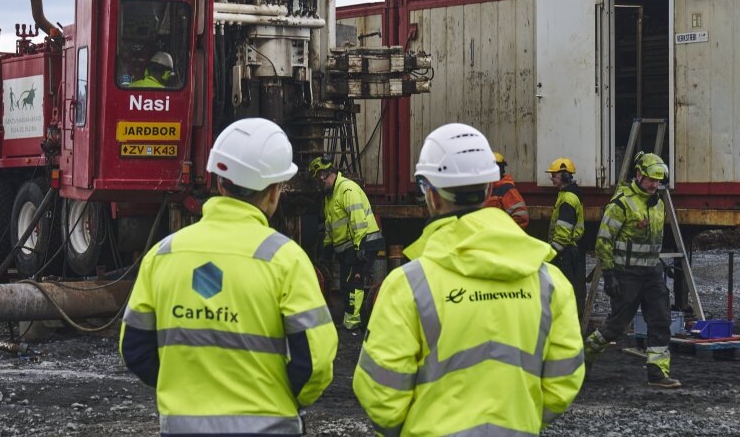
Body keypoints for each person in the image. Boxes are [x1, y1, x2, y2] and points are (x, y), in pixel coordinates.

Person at [353, 124, 585, 435]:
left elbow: (380, 393)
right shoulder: (550, 283)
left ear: (431, 196)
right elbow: (564, 379)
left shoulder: (408, 285)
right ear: (490, 189)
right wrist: (519, 419)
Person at [120, 118, 338, 434]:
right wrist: (280, 399)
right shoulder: (286, 260)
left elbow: (135, 350)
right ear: (275, 191)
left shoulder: (163, 256)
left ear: (220, 183)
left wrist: (184, 393)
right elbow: (315, 362)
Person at [584, 151, 681, 389]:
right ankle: (582, 359)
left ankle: (658, 373)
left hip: (652, 273)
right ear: (638, 175)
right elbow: (603, 241)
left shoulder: (657, 202)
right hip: (626, 274)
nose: (655, 185)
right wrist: (609, 275)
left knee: (660, 321)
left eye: (658, 181)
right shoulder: (621, 204)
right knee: (616, 326)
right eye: (651, 180)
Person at [308, 154, 385, 333]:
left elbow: (358, 220)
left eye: (318, 181)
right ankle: (349, 320)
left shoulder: (346, 190)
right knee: (345, 283)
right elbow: (330, 227)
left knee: (353, 283)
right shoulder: (330, 198)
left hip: (362, 244)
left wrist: (360, 248)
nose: (319, 186)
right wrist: (325, 251)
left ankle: (352, 324)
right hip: (350, 247)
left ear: (323, 175)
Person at [546, 157, 586, 324]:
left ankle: (566, 323)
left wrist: (550, 253)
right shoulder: (568, 195)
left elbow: (563, 232)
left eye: (554, 175)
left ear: (565, 176)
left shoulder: (567, 199)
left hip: (566, 253)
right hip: (570, 251)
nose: (552, 178)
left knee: (564, 290)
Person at [483, 150, 530, 229]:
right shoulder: (484, 188)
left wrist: (502, 233)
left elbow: (521, 218)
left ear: (501, 169)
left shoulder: (506, 189)